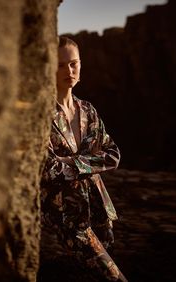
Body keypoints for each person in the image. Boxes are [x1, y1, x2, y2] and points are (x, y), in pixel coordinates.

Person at [39, 36, 127, 282]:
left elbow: (113, 154)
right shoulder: (42, 114)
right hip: (65, 218)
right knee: (113, 278)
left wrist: (71, 163)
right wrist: (89, 161)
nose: (69, 70)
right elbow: (49, 171)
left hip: (100, 211)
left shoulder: (88, 110)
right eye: (60, 65)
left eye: (73, 63)